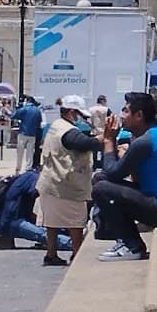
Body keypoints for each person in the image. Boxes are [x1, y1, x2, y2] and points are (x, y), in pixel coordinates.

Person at [92, 92, 157, 261]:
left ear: (139, 115)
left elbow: (113, 173)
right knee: (100, 180)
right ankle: (124, 240)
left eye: (126, 111)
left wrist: (108, 141)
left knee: (101, 188)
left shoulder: (145, 141)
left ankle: (132, 246)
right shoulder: (151, 135)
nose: (121, 116)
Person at [37, 95, 103, 266]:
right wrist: (103, 138)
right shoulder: (68, 131)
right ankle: (77, 254)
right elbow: (83, 143)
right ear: (72, 112)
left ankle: (51, 254)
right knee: (76, 222)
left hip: (50, 181)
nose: (81, 119)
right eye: (79, 115)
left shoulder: (56, 125)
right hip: (66, 185)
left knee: (52, 222)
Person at [0, 169, 69, 253]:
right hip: (12, 222)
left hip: (7, 221)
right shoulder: (33, 178)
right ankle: (75, 244)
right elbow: (46, 199)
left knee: (48, 229)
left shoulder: (26, 176)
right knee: (45, 235)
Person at [12, 97, 43, 172]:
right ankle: (28, 168)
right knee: (30, 152)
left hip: (23, 133)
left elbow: (14, 116)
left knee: (20, 151)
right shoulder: (37, 110)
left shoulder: (24, 109)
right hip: (33, 134)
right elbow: (39, 122)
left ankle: (18, 167)